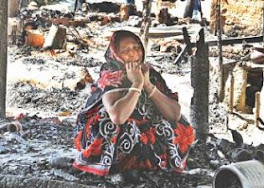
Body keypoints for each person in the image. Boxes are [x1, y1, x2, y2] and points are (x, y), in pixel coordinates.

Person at [73, 30, 196, 176]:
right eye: (125, 51)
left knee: (177, 124)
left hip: (142, 127)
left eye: (136, 48)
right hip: (114, 130)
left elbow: (174, 114)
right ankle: (113, 165)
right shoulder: (111, 74)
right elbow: (118, 116)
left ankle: (152, 162)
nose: (133, 54)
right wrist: (137, 84)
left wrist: (148, 85)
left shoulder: (149, 72)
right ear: (116, 54)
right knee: (113, 125)